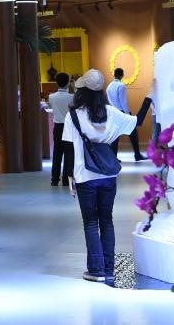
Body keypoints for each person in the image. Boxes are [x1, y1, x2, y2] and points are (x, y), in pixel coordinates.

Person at [63, 70, 137, 286]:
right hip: (108, 174)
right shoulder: (110, 112)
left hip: (85, 175)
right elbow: (135, 122)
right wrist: (149, 98)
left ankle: (96, 270)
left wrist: (69, 177)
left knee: (90, 222)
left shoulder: (73, 115)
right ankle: (109, 267)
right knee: (107, 220)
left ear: (81, 91)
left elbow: (68, 148)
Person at [105, 68, 146, 161]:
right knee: (133, 133)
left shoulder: (109, 86)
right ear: (122, 75)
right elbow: (123, 102)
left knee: (115, 135)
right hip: (122, 113)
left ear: (114, 74)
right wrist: (128, 114)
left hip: (113, 113)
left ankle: (113, 157)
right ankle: (137, 155)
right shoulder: (121, 86)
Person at [48, 72, 75, 187]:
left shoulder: (51, 97)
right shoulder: (72, 97)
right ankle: (66, 180)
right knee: (69, 153)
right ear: (68, 83)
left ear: (56, 82)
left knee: (57, 154)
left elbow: (50, 107)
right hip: (69, 127)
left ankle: (54, 179)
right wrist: (73, 88)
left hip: (58, 127)